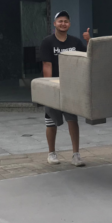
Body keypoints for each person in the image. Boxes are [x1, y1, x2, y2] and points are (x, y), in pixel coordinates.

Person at [39, 10, 89, 166]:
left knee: (72, 120)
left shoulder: (75, 42)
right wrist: (49, 87)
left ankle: (76, 154)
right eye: (60, 21)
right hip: (54, 86)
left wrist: (89, 42)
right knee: (51, 121)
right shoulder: (48, 42)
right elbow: (47, 65)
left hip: (71, 87)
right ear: (54, 24)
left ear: (69, 24)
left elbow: (87, 59)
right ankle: (51, 153)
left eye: (66, 21)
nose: (63, 23)